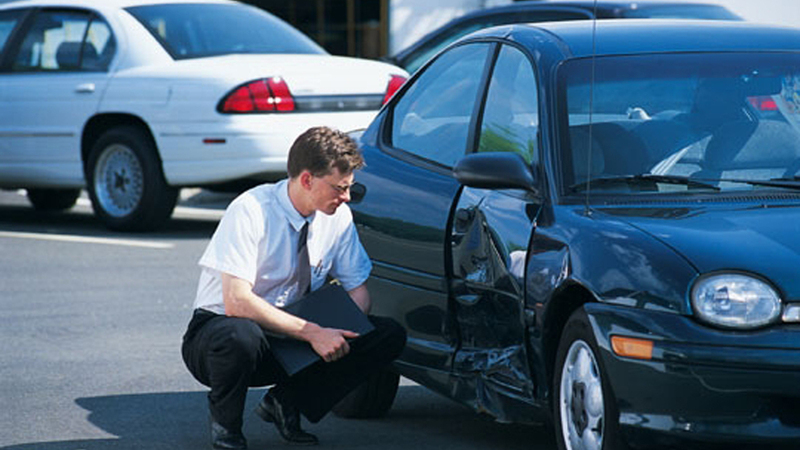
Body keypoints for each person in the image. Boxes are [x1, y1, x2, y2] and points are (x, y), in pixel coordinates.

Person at [181, 126, 407, 450]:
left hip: (295, 327)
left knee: (386, 334)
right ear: (306, 180)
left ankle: (286, 401)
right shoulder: (251, 209)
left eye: (349, 189)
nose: (345, 198)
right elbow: (236, 302)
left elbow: (359, 294)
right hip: (224, 335)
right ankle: (227, 427)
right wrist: (313, 333)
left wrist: (339, 334)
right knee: (239, 335)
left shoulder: (337, 216)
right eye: (339, 189)